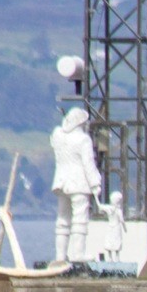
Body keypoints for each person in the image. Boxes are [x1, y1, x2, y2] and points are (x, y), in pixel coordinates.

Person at [51, 107, 103, 265]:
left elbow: (55, 137)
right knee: (80, 219)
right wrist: (95, 183)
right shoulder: (83, 139)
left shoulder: (57, 135)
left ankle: (60, 256)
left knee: (62, 219)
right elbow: (88, 164)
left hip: (61, 181)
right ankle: (77, 254)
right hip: (79, 183)